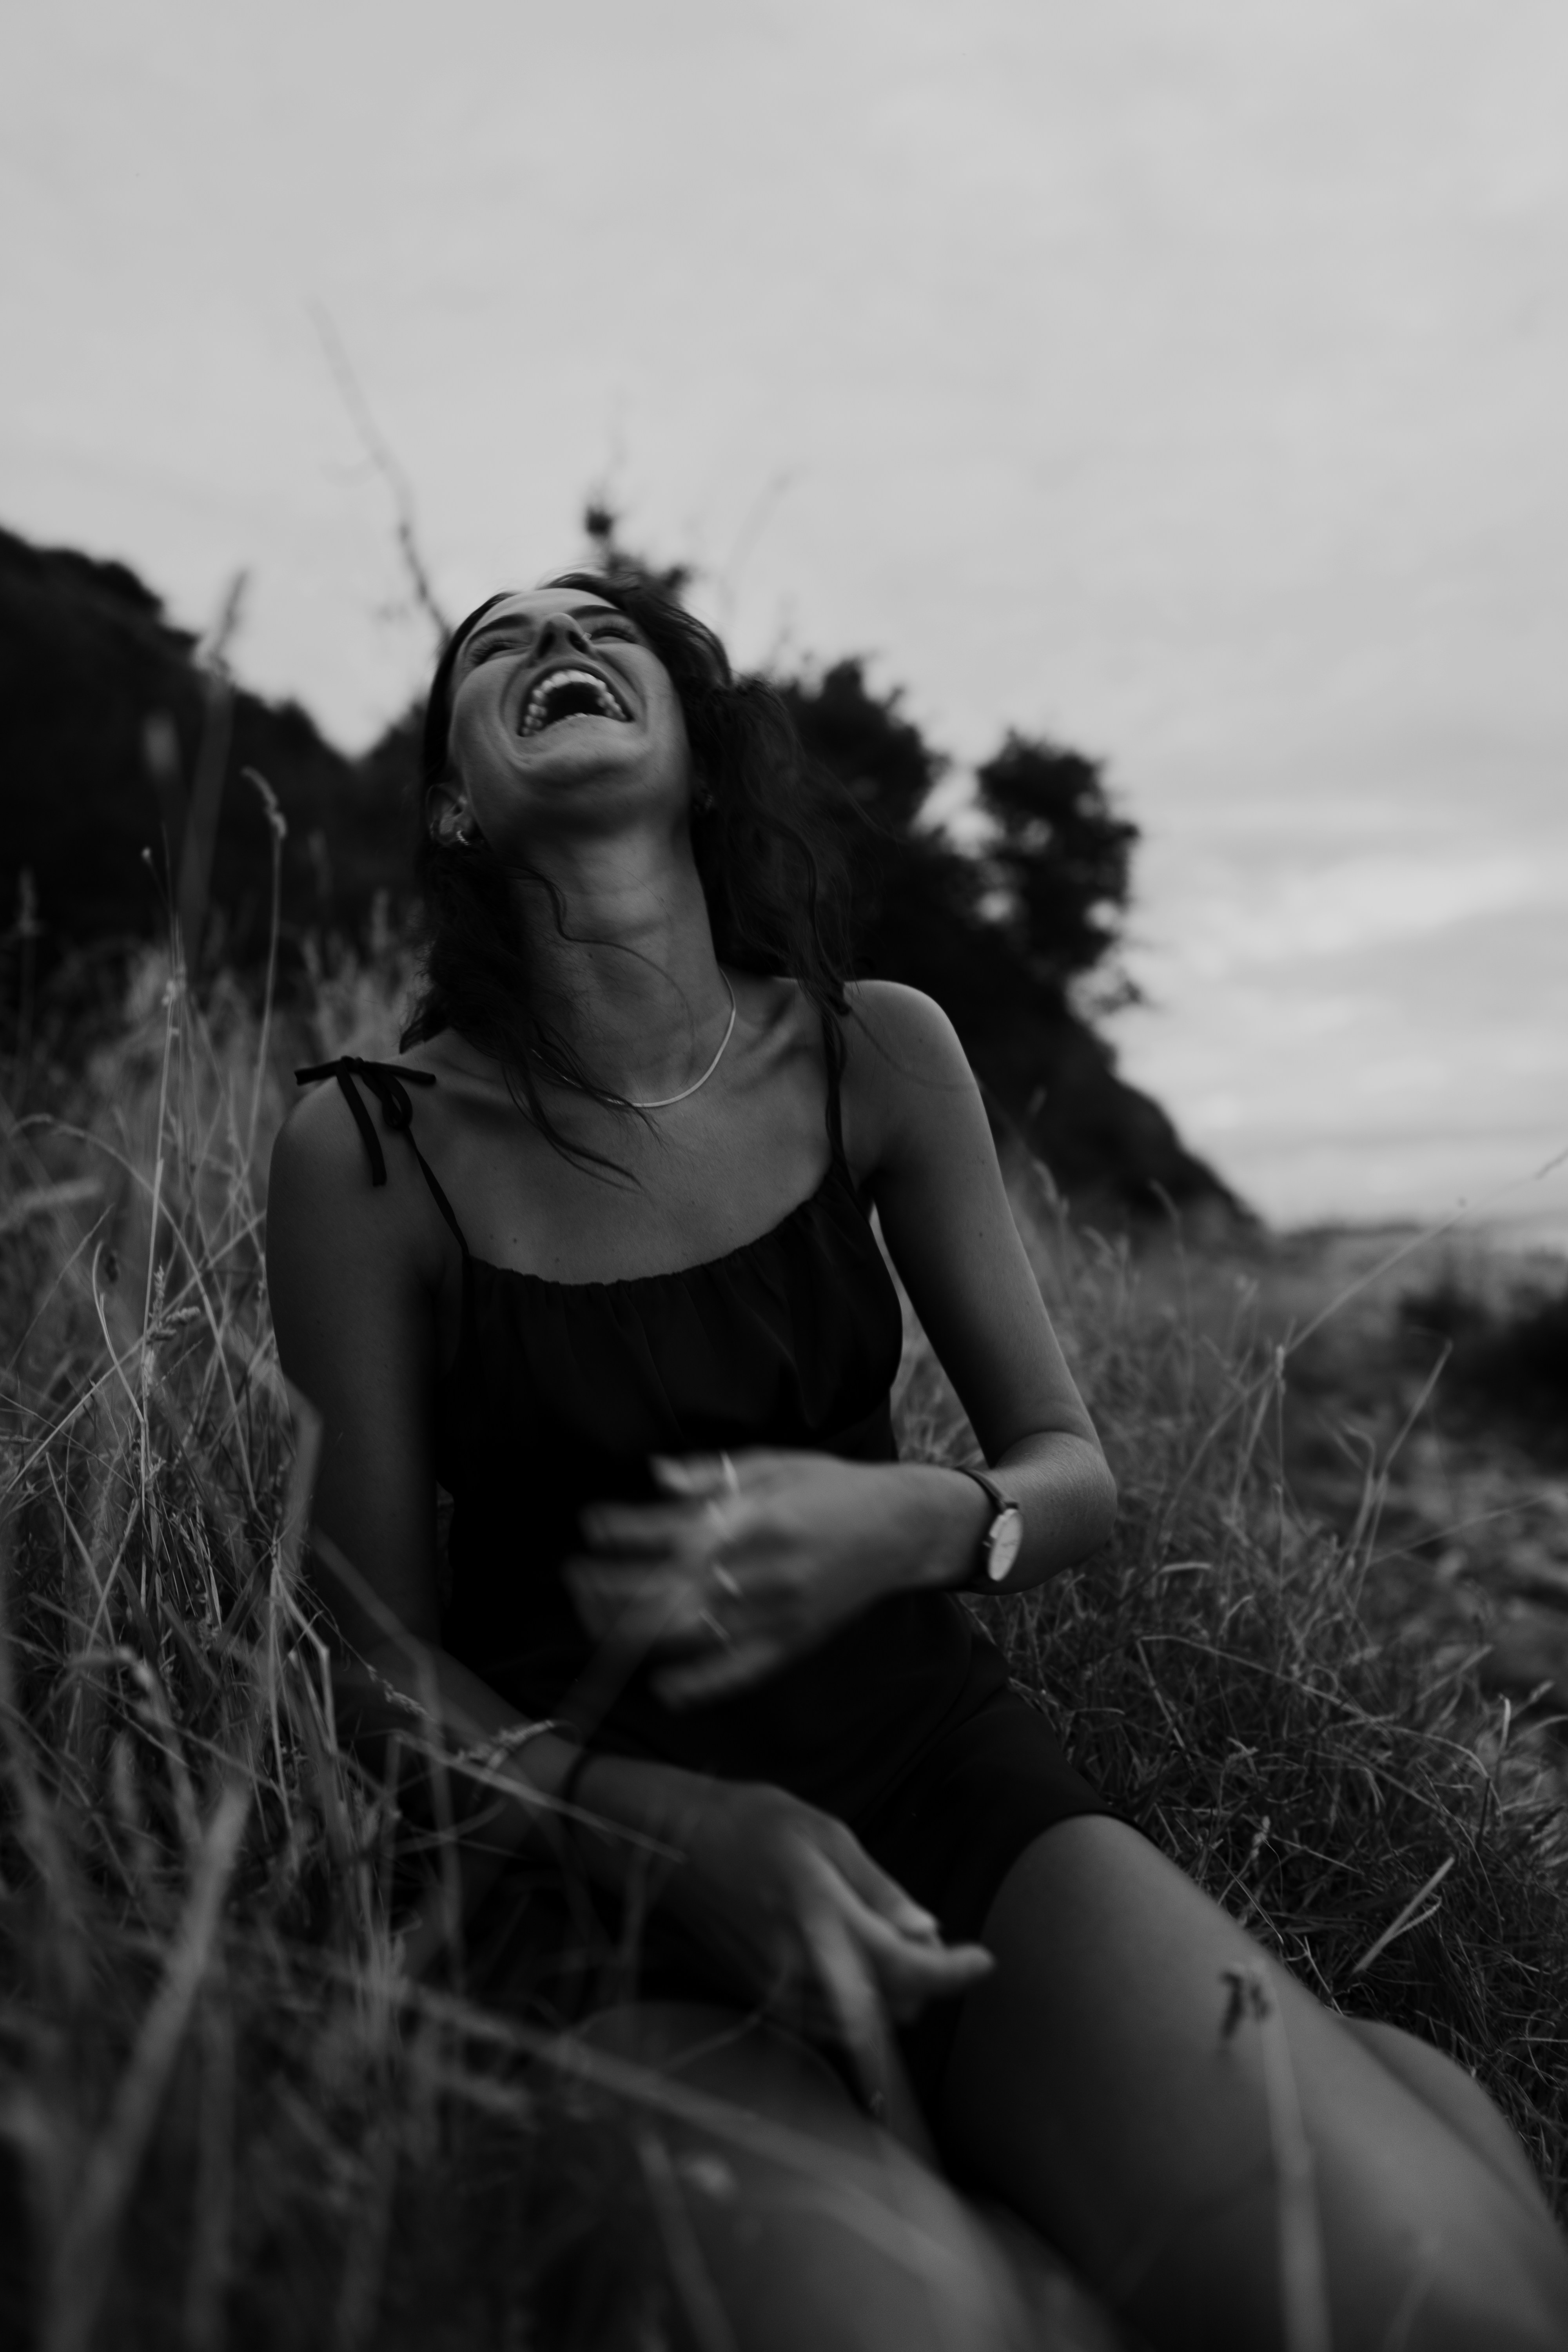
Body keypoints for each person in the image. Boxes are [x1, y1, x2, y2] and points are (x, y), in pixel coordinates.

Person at [268, 572, 1568, 2351]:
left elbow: (1070, 1478)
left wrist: (918, 1523)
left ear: (700, 752)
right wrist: (678, 1834)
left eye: (603, 626)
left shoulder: (875, 1049)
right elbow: (363, 1655)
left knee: (1443, 2306)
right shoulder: (367, 1147)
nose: (555, 641)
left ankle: (1320, 2113)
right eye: (498, 642)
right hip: (589, 1882)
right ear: (453, 805)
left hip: (941, 1788)